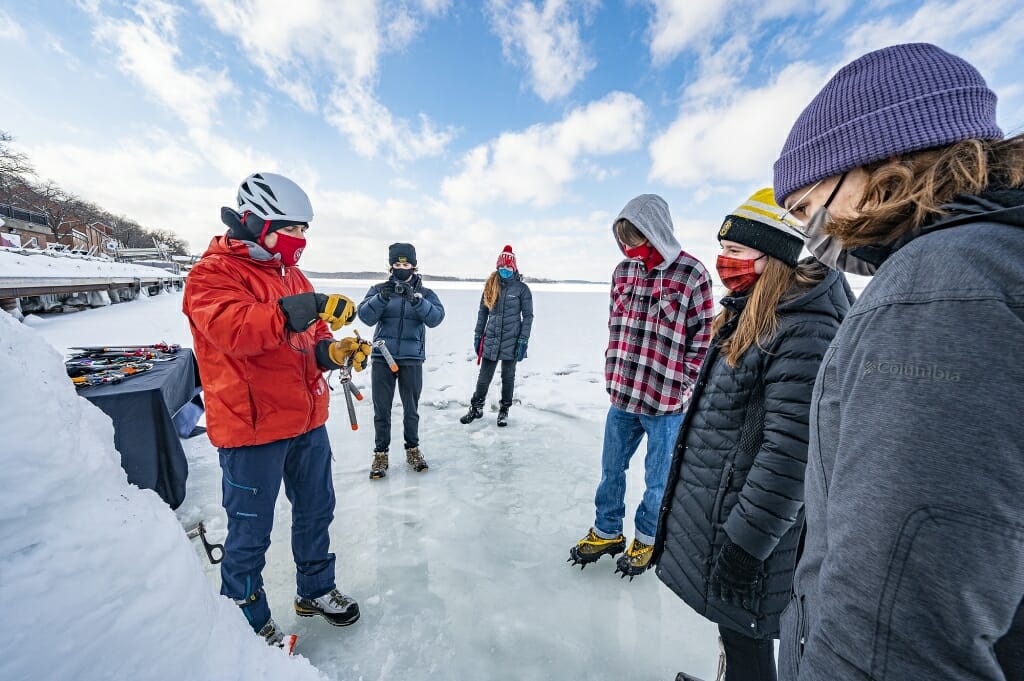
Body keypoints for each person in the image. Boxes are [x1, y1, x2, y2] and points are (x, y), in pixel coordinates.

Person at [771, 43, 1024, 680]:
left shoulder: (935, 293)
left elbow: (889, 633)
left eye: (806, 206)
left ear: (880, 162)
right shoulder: (997, 260)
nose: (811, 233)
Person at [651, 189, 852, 681]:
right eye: (724, 250)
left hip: (756, 533)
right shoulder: (749, 312)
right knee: (737, 629)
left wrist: (744, 545)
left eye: (737, 251)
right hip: (727, 513)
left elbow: (790, 453)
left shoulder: (803, 328)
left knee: (750, 634)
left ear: (773, 256)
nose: (724, 262)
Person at [183, 172, 371, 647]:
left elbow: (314, 339)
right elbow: (238, 331)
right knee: (251, 532)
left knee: (316, 512)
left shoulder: (293, 274)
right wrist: (303, 307)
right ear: (255, 221)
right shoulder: (211, 275)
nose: (301, 239)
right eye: (294, 228)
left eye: (306, 230)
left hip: (306, 422)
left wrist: (336, 352)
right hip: (251, 430)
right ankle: (246, 622)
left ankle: (316, 590)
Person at [569, 193, 713, 578]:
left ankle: (647, 539)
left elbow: (703, 339)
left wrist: (684, 383)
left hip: (665, 401)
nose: (628, 247)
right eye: (623, 240)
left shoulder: (692, 274)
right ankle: (607, 531)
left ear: (654, 232)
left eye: (634, 238)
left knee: (657, 480)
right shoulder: (623, 272)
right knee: (611, 471)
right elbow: (616, 324)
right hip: (623, 395)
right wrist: (611, 368)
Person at [357, 242, 445, 479]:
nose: (401, 268)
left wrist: (416, 300)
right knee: (381, 409)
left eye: (406, 264)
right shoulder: (377, 289)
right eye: (397, 264)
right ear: (391, 266)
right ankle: (381, 454)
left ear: (414, 267)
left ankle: (413, 449)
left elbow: (436, 318)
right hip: (382, 357)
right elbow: (364, 316)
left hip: (411, 358)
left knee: (411, 410)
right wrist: (382, 298)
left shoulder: (426, 294)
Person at [460, 244, 534, 427]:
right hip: (491, 338)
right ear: (497, 267)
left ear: (514, 268)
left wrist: (523, 339)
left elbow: (528, 316)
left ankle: (504, 410)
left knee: (508, 377)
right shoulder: (490, 286)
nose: (505, 270)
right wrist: (478, 335)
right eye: (502, 267)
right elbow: (482, 312)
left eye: (508, 267)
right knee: (484, 377)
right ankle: (476, 408)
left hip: (512, 339)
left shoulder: (522, 289)